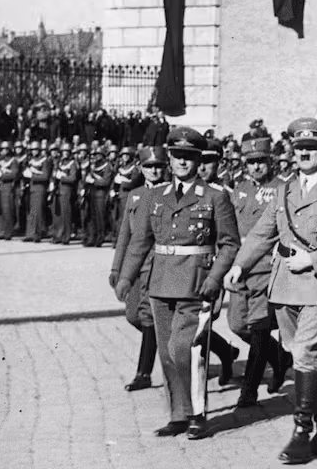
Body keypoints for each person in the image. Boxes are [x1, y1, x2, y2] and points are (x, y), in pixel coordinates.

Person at [224, 118, 317, 463]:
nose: (304, 154)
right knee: (306, 356)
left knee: (303, 351)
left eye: (311, 148)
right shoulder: (284, 191)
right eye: (299, 148)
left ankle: (302, 432)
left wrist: (313, 259)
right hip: (286, 283)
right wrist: (240, 264)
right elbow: (262, 232)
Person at [116, 127, 240, 440]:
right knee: (167, 352)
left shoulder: (215, 196)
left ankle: (197, 414)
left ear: (198, 160)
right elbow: (140, 241)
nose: (182, 162)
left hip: (196, 283)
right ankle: (179, 415)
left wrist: (215, 277)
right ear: (169, 158)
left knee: (186, 348)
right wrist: (126, 276)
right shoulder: (154, 196)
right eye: (177, 156)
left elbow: (229, 244)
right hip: (160, 283)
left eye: (189, 156)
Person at [228, 133, 290, 408]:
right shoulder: (239, 189)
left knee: (259, 328)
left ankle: (249, 390)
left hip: (266, 266)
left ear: (270, 161)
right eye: (251, 162)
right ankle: (279, 358)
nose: (255, 166)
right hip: (241, 266)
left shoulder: (282, 189)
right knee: (237, 324)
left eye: (261, 161)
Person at [110, 145, 165, 392]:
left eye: (158, 166)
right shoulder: (135, 195)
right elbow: (125, 234)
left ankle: (143, 373)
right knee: (133, 315)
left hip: (157, 263)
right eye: (149, 166)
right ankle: (221, 349)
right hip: (135, 265)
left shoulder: (169, 193)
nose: (154, 171)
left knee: (147, 315)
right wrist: (117, 268)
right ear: (141, 169)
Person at [22, 141, 52, 242]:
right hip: (32, 188)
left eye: (35, 150)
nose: (34, 152)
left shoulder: (44, 160)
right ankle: (30, 234)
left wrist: (32, 176)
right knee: (31, 212)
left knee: (38, 212)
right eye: (32, 150)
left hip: (40, 188)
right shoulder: (30, 160)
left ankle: (37, 234)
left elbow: (45, 176)